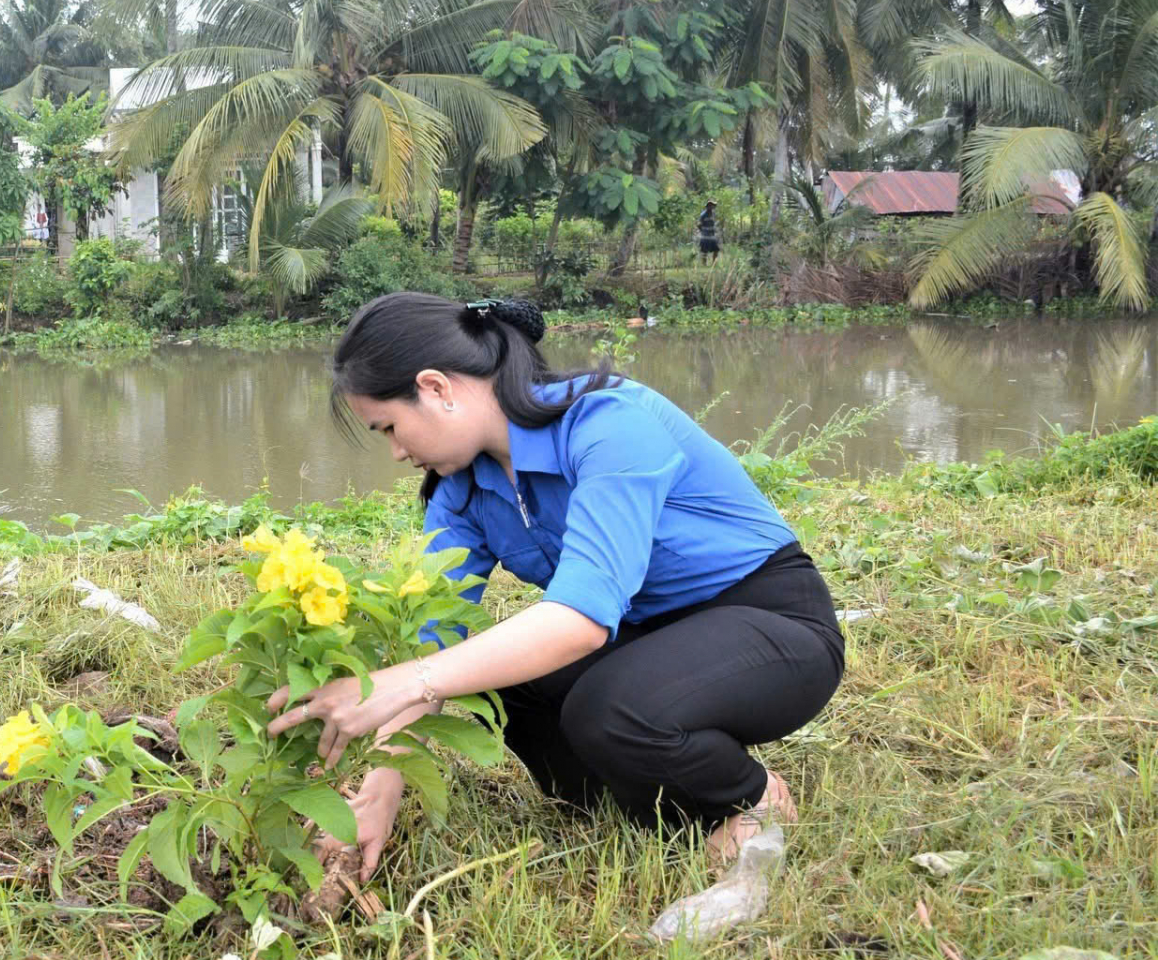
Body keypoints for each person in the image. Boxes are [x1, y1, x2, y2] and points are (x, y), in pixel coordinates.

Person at [266, 292, 843, 876]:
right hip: (645, 635)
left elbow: (580, 622)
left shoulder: (608, 423)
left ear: (436, 388)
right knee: (500, 683)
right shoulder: (460, 490)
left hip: (771, 624)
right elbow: (433, 635)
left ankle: (747, 796)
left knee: (610, 710)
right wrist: (381, 789)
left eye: (390, 427)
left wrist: (404, 681)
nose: (395, 452)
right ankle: (642, 800)